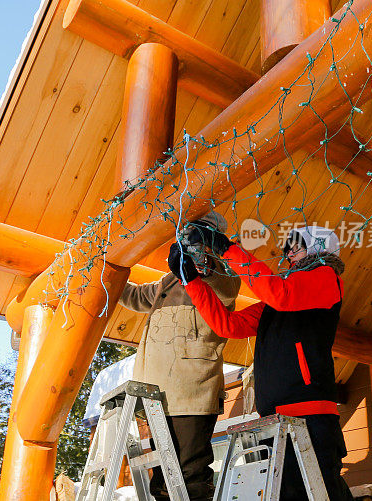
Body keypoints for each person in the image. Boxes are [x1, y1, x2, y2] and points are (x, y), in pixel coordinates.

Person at [177, 222, 354, 501]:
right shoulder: (278, 298)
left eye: (298, 245)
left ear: (319, 248)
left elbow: (280, 294)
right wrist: (192, 282)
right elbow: (229, 326)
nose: (289, 252)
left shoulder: (327, 277)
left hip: (309, 414)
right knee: (286, 494)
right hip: (275, 416)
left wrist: (226, 248)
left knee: (321, 492)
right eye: (289, 247)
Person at [119, 211, 240, 501]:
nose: (190, 240)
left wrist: (203, 262)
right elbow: (134, 297)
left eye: (199, 235)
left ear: (212, 240)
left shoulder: (221, 272)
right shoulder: (168, 280)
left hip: (192, 390)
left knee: (190, 472)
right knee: (163, 473)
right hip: (157, 391)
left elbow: (226, 292)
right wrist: (107, 277)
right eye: (188, 234)